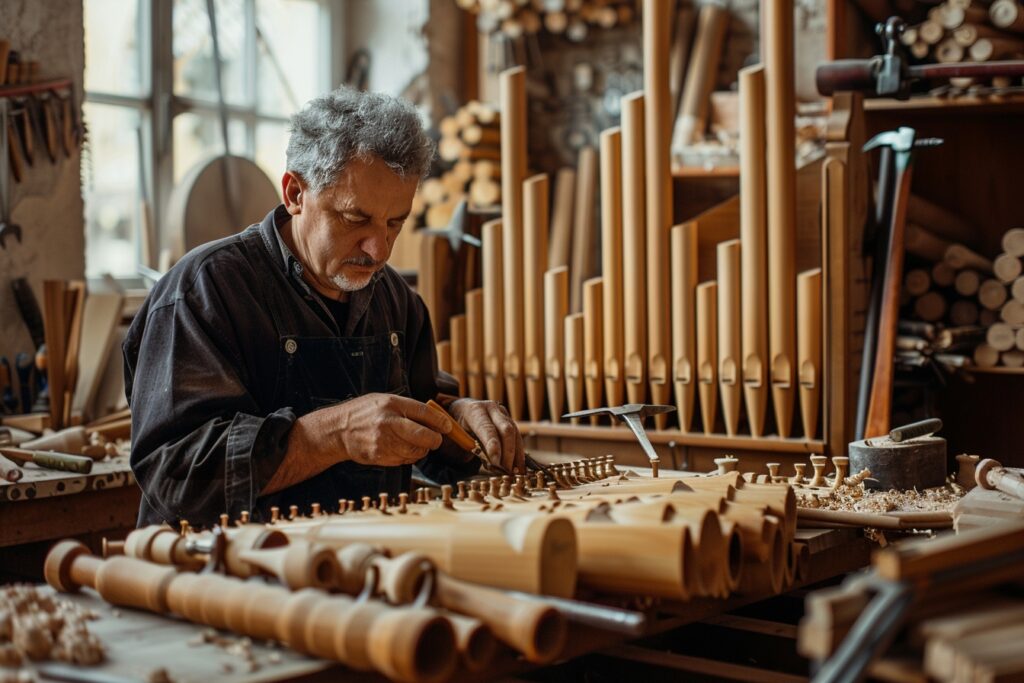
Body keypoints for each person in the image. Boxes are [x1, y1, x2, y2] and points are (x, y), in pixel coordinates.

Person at [123, 87, 524, 527]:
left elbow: (423, 407)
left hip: (350, 565)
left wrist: (458, 420)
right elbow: (176, 474)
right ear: (295, 193)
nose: (379, 251)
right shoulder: (205, 290)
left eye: (395, 223)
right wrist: (333, 435)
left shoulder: (396, 300)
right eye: (355, 219)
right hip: (213, 575)